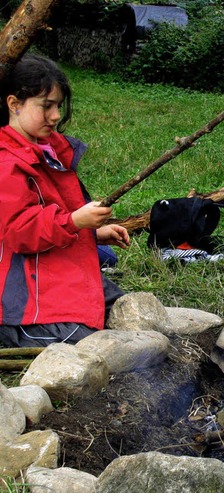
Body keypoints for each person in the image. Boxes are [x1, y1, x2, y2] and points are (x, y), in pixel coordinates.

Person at [0, 54, 130, 347]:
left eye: (58, 106)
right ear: (14, 104)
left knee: (126, 307)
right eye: (46, 106)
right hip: (19, 288)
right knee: (85, 340)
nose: (56, 116)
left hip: (55, 266)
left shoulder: (46, 149)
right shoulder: (6, 162)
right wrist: (74, 221)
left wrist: (91, 233)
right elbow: (19, 232)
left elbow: (49, 212)